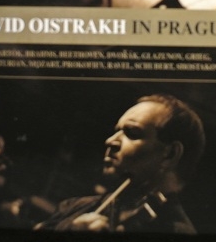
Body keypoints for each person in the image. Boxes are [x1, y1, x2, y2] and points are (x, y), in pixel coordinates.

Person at [37, 94, 205, 233]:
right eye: (116, 131)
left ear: (170, 154)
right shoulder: (74, 207)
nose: (110, 141)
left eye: (132, 133)